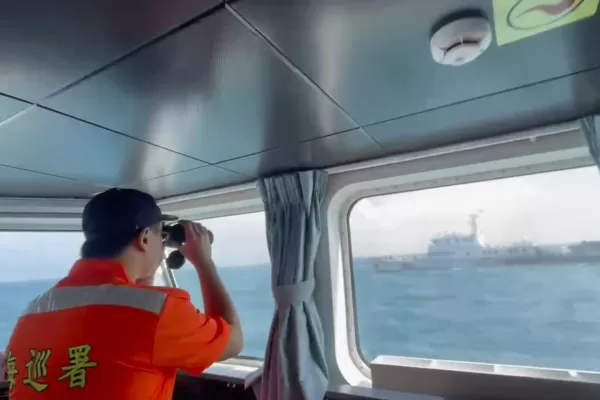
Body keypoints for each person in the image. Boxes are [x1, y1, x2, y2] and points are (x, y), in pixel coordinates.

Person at [4, 188, 243, 399]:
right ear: (145, 238)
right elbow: (232, 341)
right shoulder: (159, 312)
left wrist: (147, 264)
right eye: (160, 236)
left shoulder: (32, 311)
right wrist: (204, 262)